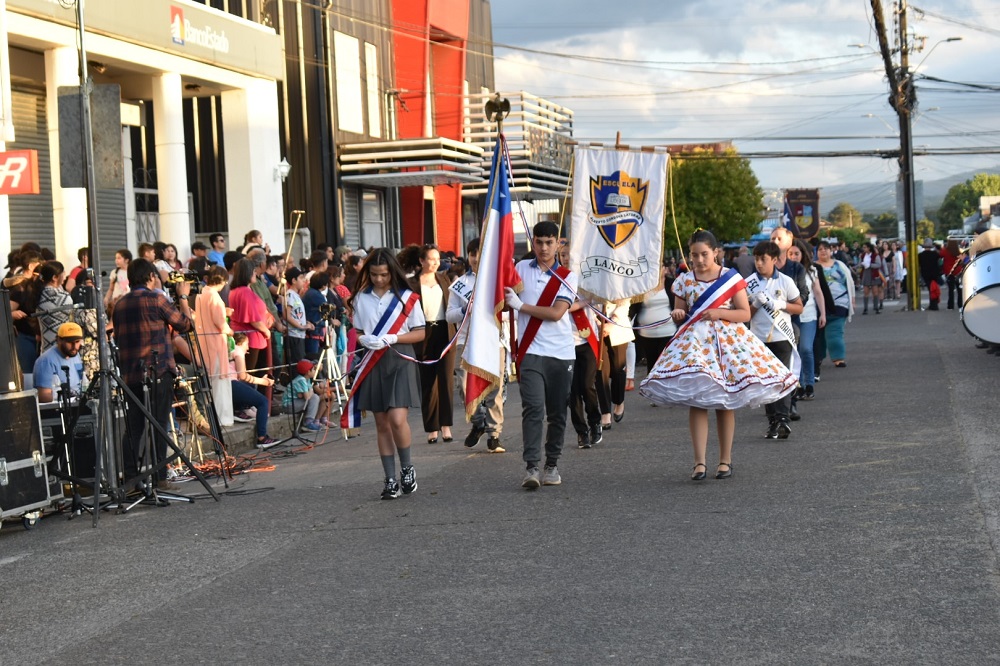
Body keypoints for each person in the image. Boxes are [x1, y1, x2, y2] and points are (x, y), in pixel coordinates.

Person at [639, 230, 797, 481]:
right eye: (694, 255)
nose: (699, 260)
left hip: (728, 343)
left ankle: (725, 460)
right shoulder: (684, 280)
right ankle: (699, 462)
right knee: (698, 401)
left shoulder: (730, 278)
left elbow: (744, 313)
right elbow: (680, 311)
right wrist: (678, 315)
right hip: (696, 345)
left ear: (715, 252)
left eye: (704, 254)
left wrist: (719, 313)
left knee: (726, 402)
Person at [503, 221, 577, 489]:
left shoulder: (568, 276)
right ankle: (532, 466)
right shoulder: (520, 269)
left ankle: (552, 464)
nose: (544, 248)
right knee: (533, 409)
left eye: (549, 242)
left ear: (559, 244)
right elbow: (500, 294)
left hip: (561, 354)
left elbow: (557, 313)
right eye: (539, 242)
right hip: (530, 352)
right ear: (532, 242)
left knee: (557, 413)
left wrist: (521, 306)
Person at [348, 248, 426, 500]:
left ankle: (407, 469)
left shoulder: (407, 297)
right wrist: (364, 339)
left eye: (383, 274)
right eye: (373, 275)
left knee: (396, 418)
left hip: (399, 357)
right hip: (373, 360)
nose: (379, 279)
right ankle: (390, 478)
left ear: (392, 272)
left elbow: (420, 332)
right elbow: (357, 331)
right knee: (381, 422)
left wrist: (393, 337)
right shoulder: (361, 298)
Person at [111, 258, 194, 491]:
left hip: (130, 374)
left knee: (134, 427)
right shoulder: (157, 299)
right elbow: (185, 325)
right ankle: (159, 478)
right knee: (159, 424)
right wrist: (183, 297)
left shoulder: (119, 304)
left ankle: (130, 479)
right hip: (157, 371)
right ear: (150, 277)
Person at [450, 237, 507, 453]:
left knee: (494, 387)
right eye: (472, 254)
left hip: (494, 340)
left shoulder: (498, 281)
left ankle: (494, 434)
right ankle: (478, 421)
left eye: (480, 253)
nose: (476, 258)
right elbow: (449, 315)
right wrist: (464, 311)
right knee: (464, 387)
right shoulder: (459, 285)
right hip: (466, 341)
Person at [746, 241, 803, 439]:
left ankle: (783, 419)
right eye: (756, 259)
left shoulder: (785, 281)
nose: (759, 263)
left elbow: (799, 307)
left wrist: (779, 304)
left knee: (782, 379)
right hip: (759, 339)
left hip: (781, 337)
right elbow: (745, 315)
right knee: (766, 381)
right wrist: (755, 304)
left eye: (763, 259)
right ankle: (772, 421)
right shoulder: (749, 282)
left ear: (775, 260)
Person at [402, 244, 456, 444]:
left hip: (445, 330)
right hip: (423, 332)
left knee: (446, 380)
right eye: (431, 259)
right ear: (421, 261)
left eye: (437, 259)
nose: (435, 263)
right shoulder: (411, 283)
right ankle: (431, 428)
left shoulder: (444, 278)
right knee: (428, 381)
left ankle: (446, 426)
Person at [195, 266, 235, 427]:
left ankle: (213, 417)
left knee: (211, 380)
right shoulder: (215, 297)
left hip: (204, 342)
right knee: (220, 381)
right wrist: (230, 330)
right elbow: (220, 324)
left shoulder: (201, 295)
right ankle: (222, 418)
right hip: (216, 343)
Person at [788, 240, 826, 402]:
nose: (794, 257)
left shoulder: (811, 271)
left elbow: (818, 293)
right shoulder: (784, 272)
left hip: (809, 315)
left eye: (797, 253)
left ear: (803, 254)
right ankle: (800, 385)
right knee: (795, 351)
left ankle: (809, 383)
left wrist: (822, 313)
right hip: (790, 317)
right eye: (791, 254)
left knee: (806, 349)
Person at [230, 332, 279, 447]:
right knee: (263, 402)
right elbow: (243, 376)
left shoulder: (230, 350)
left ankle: (241, 410)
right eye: (247, 344)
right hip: (230, 383)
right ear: (240, 343)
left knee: (250, 386)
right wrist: (263, 382)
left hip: (228, 383)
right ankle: (262, 437)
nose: (248, 347)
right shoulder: (238, 351)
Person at [814, 240, 855, 371]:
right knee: (818, 335)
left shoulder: (840, 265)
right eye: (820, 249)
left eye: (826, 248)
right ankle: (818, 357)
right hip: (818, 306)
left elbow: (850, 282)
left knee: (835, 332)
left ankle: (838, 358)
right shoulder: (812, 267)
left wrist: (852, 299)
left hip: (840, 304)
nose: (823, 251)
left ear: (831, 250)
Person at [633, 259, 677, 374]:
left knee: (665, 367)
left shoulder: (672, 284)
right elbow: (634, 307)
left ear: (665, 269)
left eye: (659, 266)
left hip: (668, 332)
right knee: (652, 368)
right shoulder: (643, 286)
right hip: (647, 333)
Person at [6, 250, 42, 373]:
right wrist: (12, 315)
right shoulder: (20, 287)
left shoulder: (37, 285)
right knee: (28, 372)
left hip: (36, 336)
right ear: (31, 266)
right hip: (24, 336)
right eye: (39, 264)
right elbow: (5, 312)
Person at [32, 322, 85, 404]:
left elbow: (82, 382)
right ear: (59, 340)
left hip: (78, 403)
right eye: (70, 342)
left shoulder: (75, 354)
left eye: (77, 341)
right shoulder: (45, 361)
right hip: (60, 408)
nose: (74, 346)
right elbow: (43, 396)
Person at [35, 261, 74, 354]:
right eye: (63, 273)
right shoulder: (63, 297)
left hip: (45, 349)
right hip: (62, 349)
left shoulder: (37, 294)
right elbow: (72, 317)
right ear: (55, 277)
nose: (65, 276)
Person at [281, 358, 330, 432]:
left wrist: (307, 393)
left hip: (296, 401)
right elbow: (307, 397)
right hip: (289, 405)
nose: (314, 371)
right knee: (315, 398)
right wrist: (309, 391)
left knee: (314, 397)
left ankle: (311, 421)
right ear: (308, 372)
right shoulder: (301, 380)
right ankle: (308, 423)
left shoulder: (306, 379)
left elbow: (303, 395)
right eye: (313, 370)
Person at [282, 267, 312, 367]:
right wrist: (301, 326)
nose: (303, 280)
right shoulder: (290, 294)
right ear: (294, 280)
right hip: (294, 335)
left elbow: (297, 315)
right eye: (301, 278)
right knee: (297, 365)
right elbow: (287, 315)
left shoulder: (296, 295)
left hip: (299, 335)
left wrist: (306, 323)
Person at [860, 242, 886, 315]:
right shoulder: (862, 255)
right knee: (866, 292)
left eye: (865, 247)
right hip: (866, 273)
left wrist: (870, 265)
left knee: (875, 292)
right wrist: (860, 265)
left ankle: (876, 307)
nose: (864, 249)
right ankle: (865, 308)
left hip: (873, 274)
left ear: (869, 248)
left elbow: (878, 264)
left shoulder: (875, 255)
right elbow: (860, 263)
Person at [104, 249, 132, 317]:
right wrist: (106, 298)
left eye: (119, 258)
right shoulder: (114, 272)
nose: (116, 260)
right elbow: (111, 289)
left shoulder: (132, 272)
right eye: (116, 258)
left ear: (126, 260)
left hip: (128, 301)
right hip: (116, 302)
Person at [919, 238, 944, 311]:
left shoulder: (920, 255)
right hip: (935, 275)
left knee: (930, 289)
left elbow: (920, 265)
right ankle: (934, 304)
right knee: (934, 289)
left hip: (925, 275)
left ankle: (933, 305)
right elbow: (940, 263)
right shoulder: (935, 254)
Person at [941, 239, 962, 310]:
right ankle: (960, 305)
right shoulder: (958, 251)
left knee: (951, 290)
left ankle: (950, 306)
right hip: (958, 272)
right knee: (959, 290)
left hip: (949, 272)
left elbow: (940, 255)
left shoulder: (945, 250)